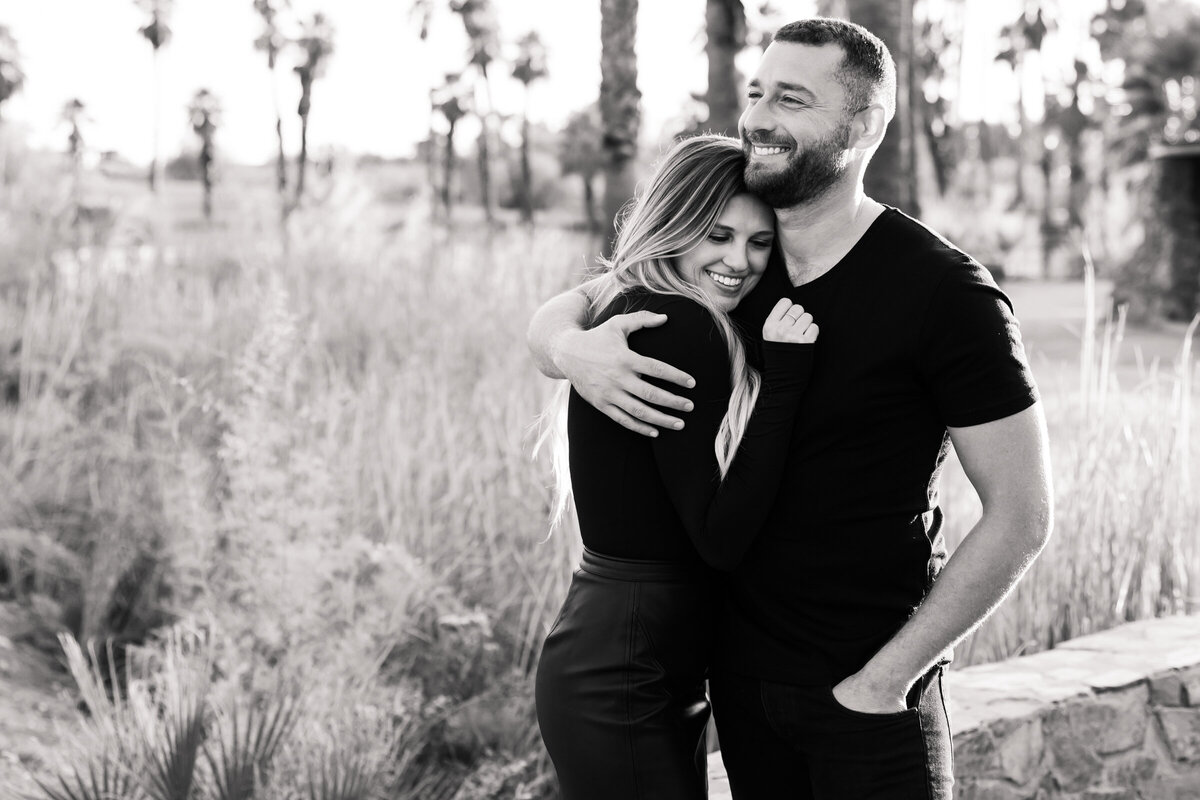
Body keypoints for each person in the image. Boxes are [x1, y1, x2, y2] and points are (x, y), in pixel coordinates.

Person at [527, 18, 1053, 800]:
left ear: (864, 125)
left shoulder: (946, 295)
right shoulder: (735, 269)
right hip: (738, 691)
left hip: (867, 701)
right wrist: (569, 350)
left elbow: (1022, 515)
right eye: (756, 92)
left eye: (793, 99)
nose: (759, 118)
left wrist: (884, 682)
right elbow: (578, 303)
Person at [533, 134, 819, 800]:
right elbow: (719, 539)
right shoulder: (678, 328)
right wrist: (787, 384)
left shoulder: (652, 307)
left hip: (641, 660)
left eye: (758, 243)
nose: (738, 262)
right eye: (716, 235)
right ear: (676, 226)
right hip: (622, 672)